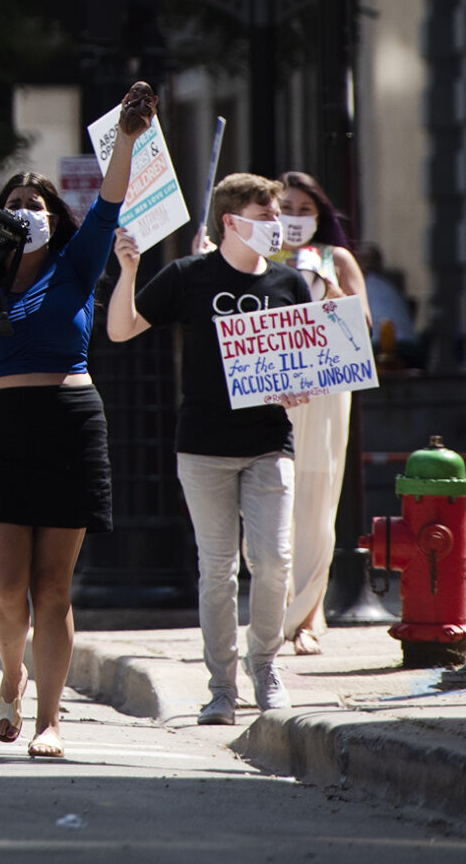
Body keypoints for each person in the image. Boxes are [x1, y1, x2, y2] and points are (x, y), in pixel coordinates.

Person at [0, 81, 153, 760]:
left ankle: (51, 719)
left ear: (54, 216)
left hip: (69, 421)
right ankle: (12, 672)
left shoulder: (75, 265)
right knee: (5, 585)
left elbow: (109, 204)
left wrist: (131, 139)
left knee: (53, 588)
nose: (27, 214)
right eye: (15, 206)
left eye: (37, 206)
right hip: (0, 426)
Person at [105, 173, 312, 723]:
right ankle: (222, 687)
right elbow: (121, 330)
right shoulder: (188, 276)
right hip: (203, 447)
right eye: (265, 217)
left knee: (273, 560)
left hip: (270, 442)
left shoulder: (290, 283)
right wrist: (128, 271)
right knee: (216, 569)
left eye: (276, 217)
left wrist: (302, 386)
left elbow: (308, 364)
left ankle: (263, 664)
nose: (276, 226)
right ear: (231, 221)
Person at [273, 172, 367, 657]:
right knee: (272, 497)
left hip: (325, 389)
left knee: (314, 497)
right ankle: (280, 609)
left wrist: (331, 290)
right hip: (274, 392)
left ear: (320, 215)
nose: (293, 217)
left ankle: (308, 613)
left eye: (303, 209)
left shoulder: (336, 259)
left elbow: (362, 325)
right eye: (284, 207)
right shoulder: (263, 260)